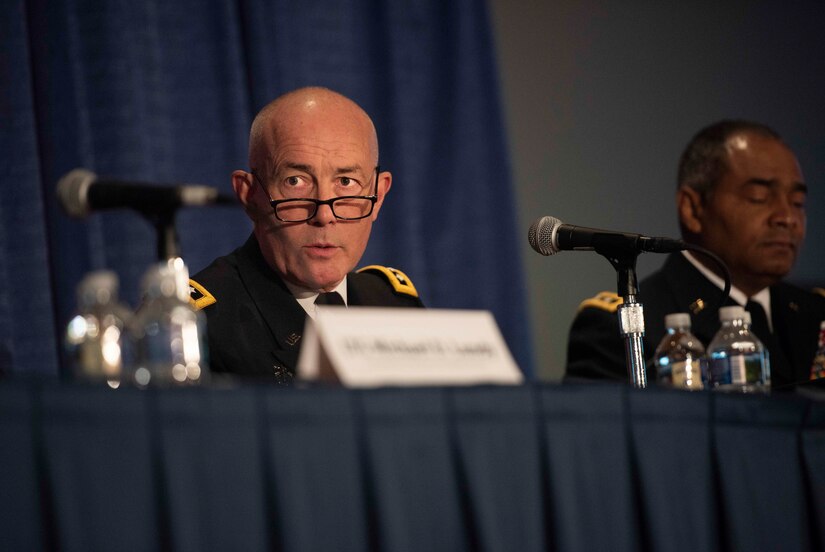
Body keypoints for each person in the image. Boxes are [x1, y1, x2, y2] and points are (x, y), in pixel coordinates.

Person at [565, 120, 825, 390]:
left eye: (798, 203)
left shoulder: (817, 313)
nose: (787, 217)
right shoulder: (626, 329)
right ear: (693, 209)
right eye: (758, 197)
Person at [190, 87, 423, 383]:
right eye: (295, 181)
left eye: (346, 181)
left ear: (377, 196)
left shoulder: (395, 304)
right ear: (249, 196)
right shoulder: (201, 326)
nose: (324, 215)